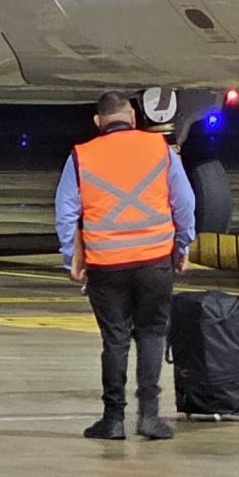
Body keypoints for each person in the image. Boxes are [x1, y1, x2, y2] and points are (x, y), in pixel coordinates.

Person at [55, 91, 197, 441]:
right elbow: (185, 203)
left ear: (98, 122)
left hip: (107, 264)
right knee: (151, 334)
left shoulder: (81, 155)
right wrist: (183, 246)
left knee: (115, 340)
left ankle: (113, 418)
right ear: (133, 118)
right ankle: (149, 417)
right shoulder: (160, 149)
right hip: (154, 261)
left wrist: (70, 258)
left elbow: (66, 212)